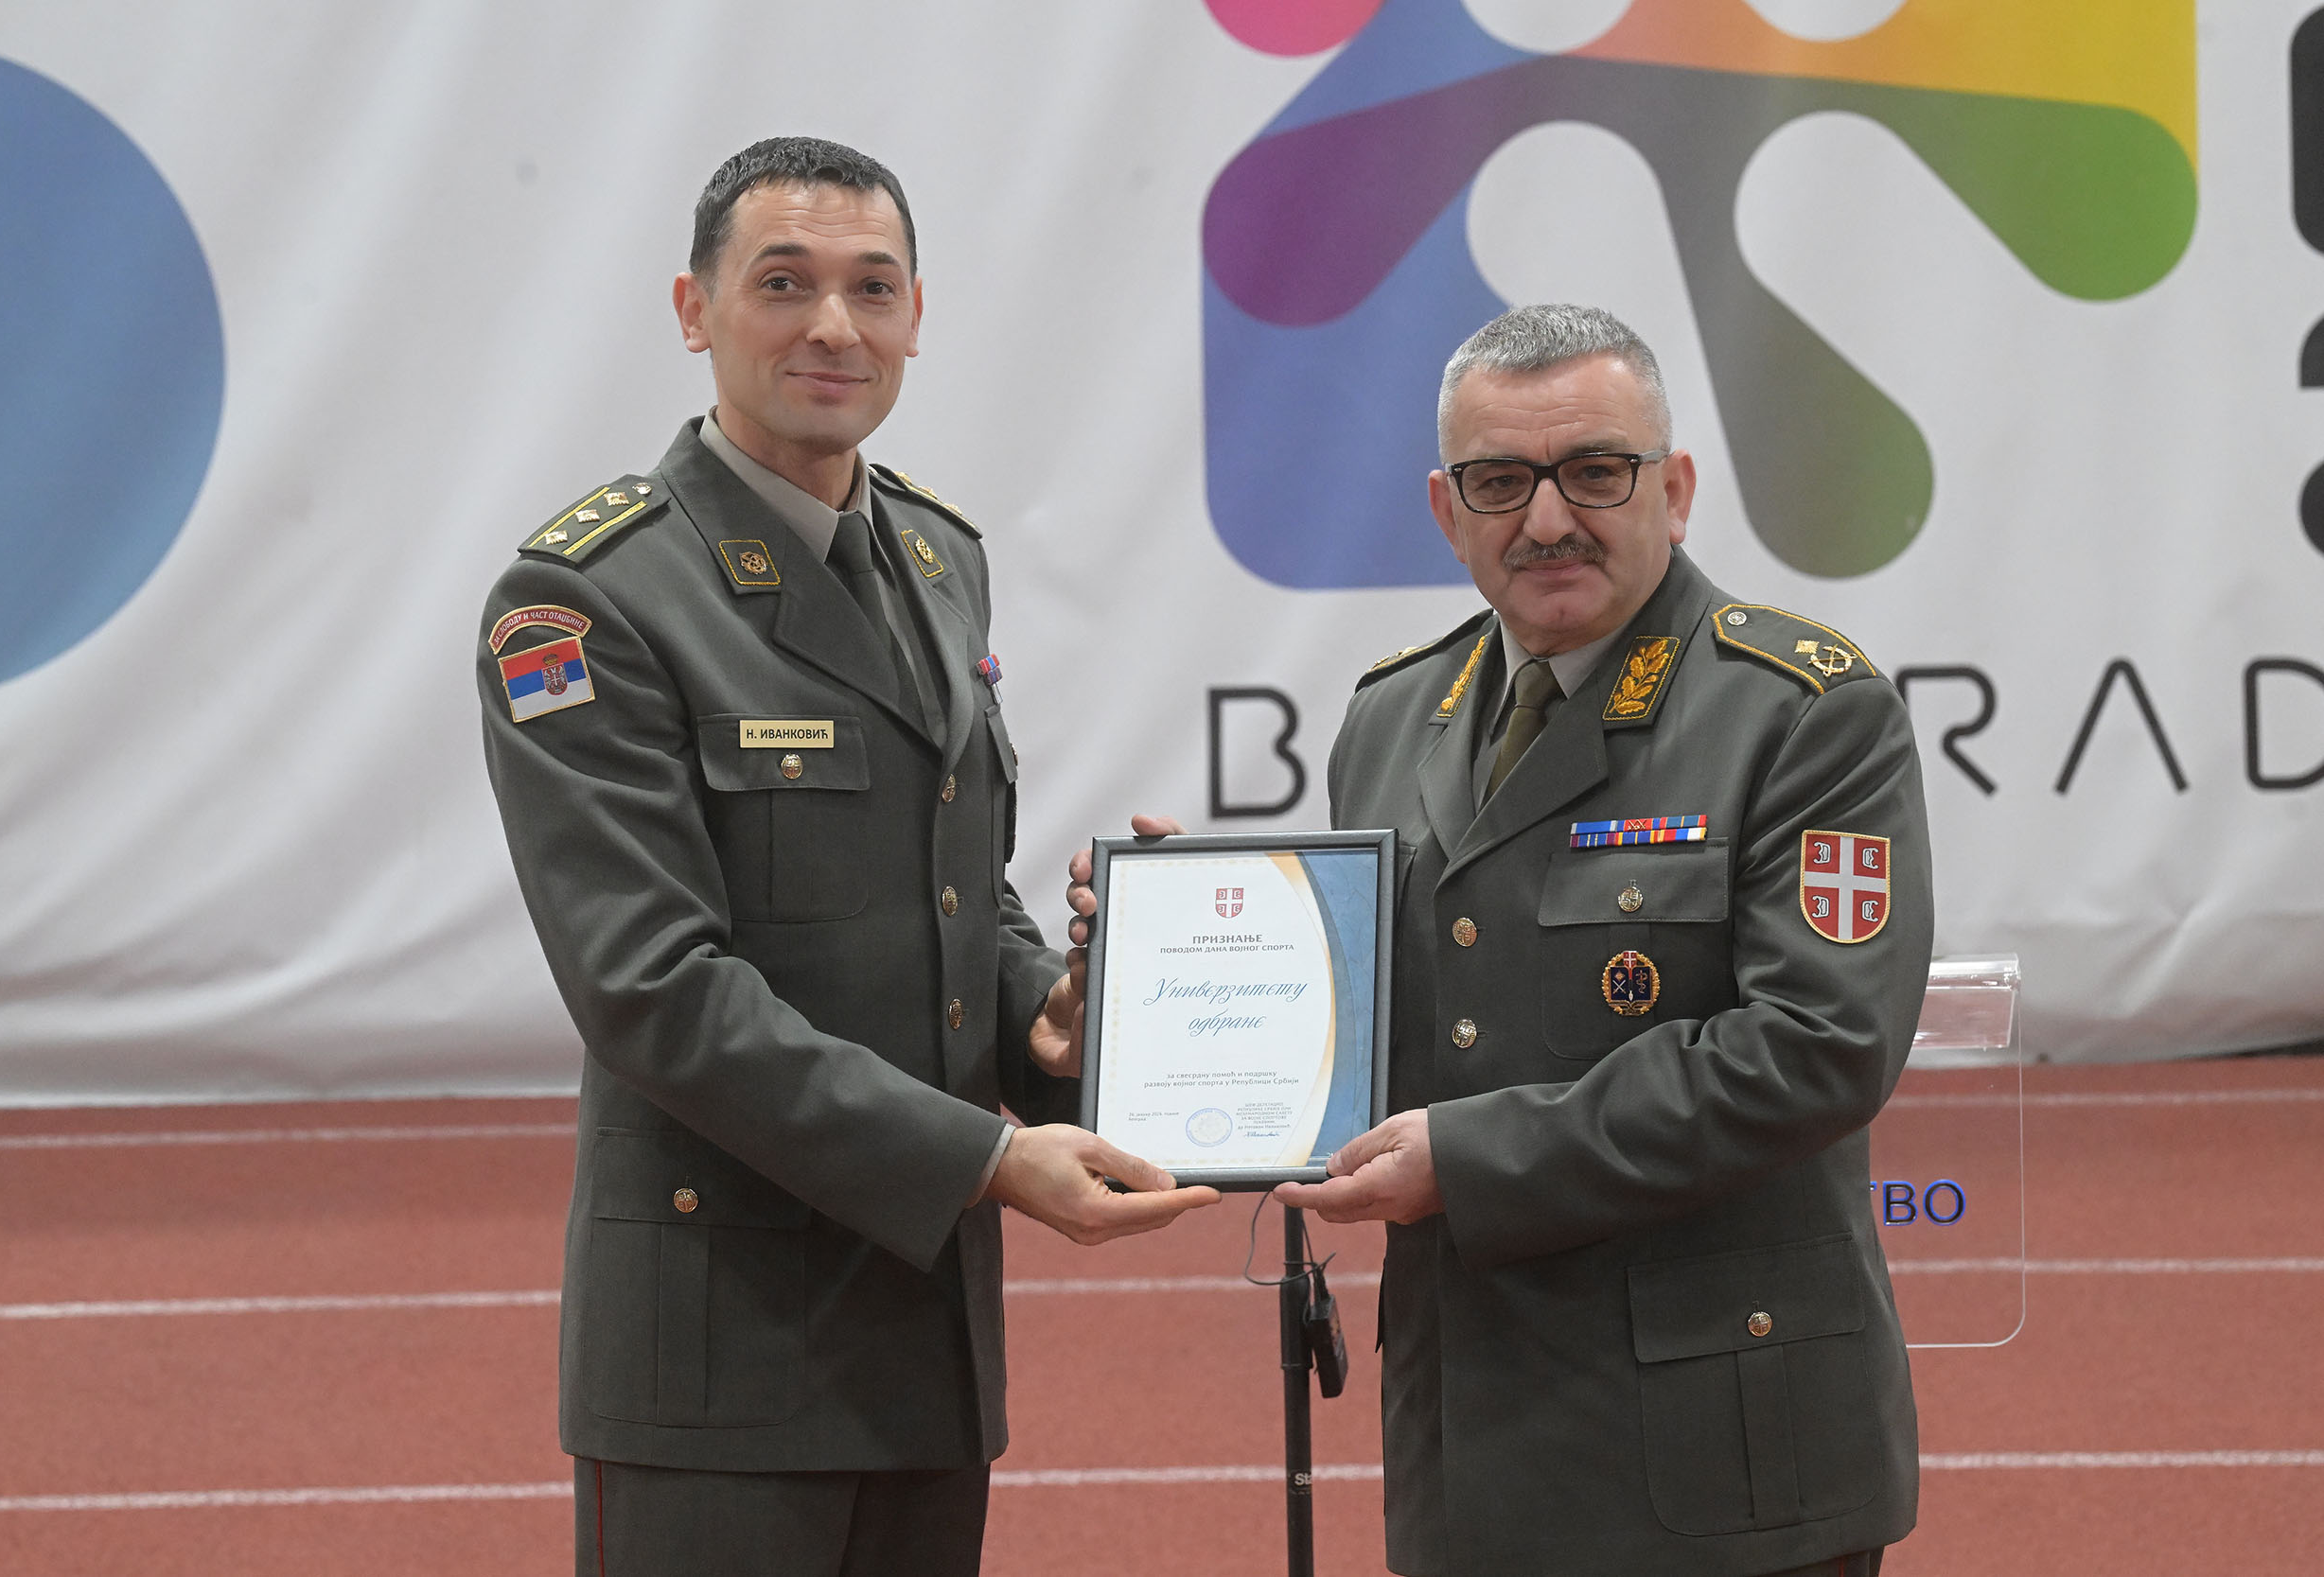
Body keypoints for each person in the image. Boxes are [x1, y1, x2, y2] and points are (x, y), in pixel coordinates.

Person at [1073, 305, 1928, 1575]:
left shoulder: (1803, 713)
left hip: (1724, 1449)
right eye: (1501, 481)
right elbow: (1392, 1021)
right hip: (1472, 1438)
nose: (1547, 519)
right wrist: (1188, 946)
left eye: (1596, 471)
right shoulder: (1392, 716)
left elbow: (1817, 1047)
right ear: (1446, 509)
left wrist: (1472, 1160)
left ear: (1675, 490)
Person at [476, 136, 1216, 1577]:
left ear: (916, 319)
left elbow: (963, 893)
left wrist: (1051, 1017)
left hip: (925, 1343)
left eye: (874, 288)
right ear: (693, 311)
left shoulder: (939, 559)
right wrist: (988, 1158)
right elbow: (652, 991)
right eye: (783, 283)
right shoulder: (587, 599)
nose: (835, 326)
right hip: (722, 1346)